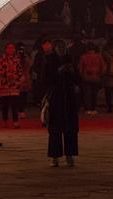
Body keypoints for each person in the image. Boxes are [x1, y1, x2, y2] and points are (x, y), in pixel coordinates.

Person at [44, 39, 80, 167]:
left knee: (70, 129)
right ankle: (55, 156)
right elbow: (47, 79)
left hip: (69, 98)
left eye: (63, 47)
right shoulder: (50, 60)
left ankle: (70, 155)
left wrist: (74, 78)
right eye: (59, 47)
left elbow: (77, 77)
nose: (61, 50)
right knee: (55, 129)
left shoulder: (70, 60)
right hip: (56, 98)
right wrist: (59, 71)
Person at [0, 43, 24, 128]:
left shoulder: (17, 60)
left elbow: (20, 71)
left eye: (12, 48)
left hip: (14, 85)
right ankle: (5, 121)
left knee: (14, 104)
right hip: (4, 85)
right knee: (5, 105)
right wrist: (6, 74)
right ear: (6, 49)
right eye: (9, 48)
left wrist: (18, 79)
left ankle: (15, 122)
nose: (11, 49)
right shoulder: (1, 60)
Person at [79, 43, 104, 114]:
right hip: (96, 77)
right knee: (94, 94)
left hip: (86, 78)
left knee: (87, 94)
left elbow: (80, 69)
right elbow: (103, 68)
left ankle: (88, 109)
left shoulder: (83, 57)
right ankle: (94, 108)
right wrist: (99, 75)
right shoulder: (99, 57)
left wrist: (82, 75)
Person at [17, 41, 32, 117]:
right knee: (19, 95)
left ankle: (22, 110)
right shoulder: (16, 56)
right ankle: (20, 110)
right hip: (18, 77)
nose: (21, 50)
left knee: (24, 95)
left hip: (26, 77)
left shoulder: (26, 56)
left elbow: (29, 64)